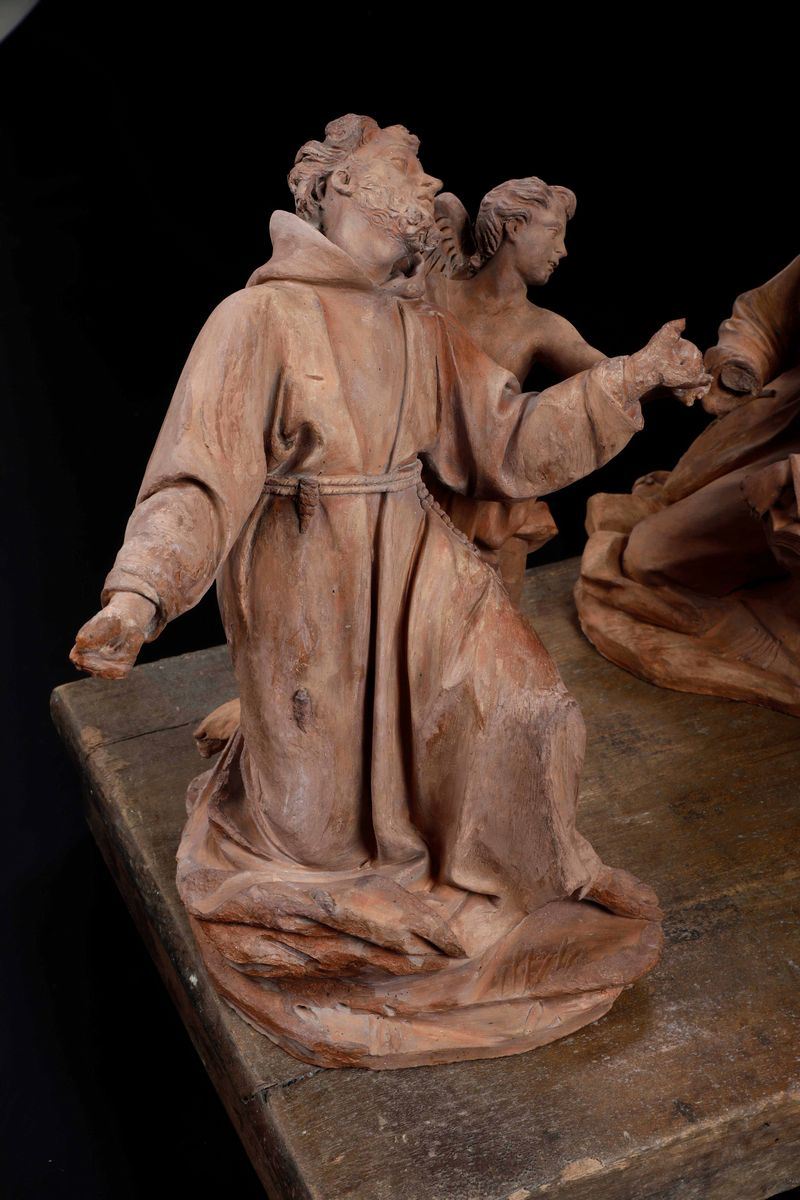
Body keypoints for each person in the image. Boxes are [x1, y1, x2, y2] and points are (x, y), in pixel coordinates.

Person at [70, 115, 708, 1067]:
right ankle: (309, 823)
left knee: (529, 711)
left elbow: (507, 440)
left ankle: (490, 885)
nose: (427, 179)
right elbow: (198, 478)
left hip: (416, 566)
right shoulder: (256, 319)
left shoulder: (417, 325)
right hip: (307, 586)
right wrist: (138, 598)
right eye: (404, 164)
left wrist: (635, 376)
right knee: (316, 839)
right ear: (338, 185)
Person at [577, 255, 800, 717]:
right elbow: (764, 317)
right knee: (649, 557)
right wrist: (742, 363)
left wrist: (793, 480)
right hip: (783, 450)